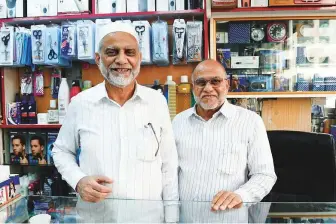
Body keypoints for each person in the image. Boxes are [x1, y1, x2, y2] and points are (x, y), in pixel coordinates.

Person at [52, 22, 178, 223]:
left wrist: (172, 218)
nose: (122, 60)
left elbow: (169, 166)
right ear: (98, 58)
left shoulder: (157, 102)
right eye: (112, 52)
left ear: (139, 58)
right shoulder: (80, 103)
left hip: (148, 219)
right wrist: (78, 181)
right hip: (97, 217)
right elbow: (60, 151)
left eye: (129, 52)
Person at [172, 59, 276, 222]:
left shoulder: (250, 122)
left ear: (227, 85)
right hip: (188, 219)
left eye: (215, 81)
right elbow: (170, 173)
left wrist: (241, 195)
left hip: (229, 219)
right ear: (193, 87)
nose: (208, 88)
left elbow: (265, 175)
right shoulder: (178, 122)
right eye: (201, 82)